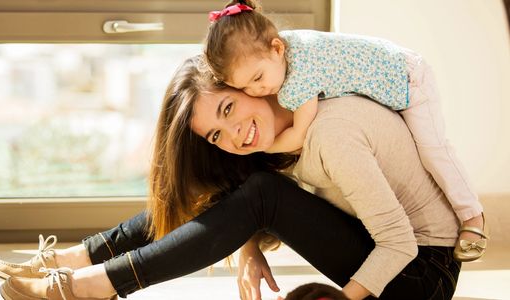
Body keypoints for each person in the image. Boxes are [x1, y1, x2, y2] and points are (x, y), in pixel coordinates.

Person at [0, 56, 461, 300]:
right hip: (390, 252)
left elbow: (398, 242)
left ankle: (93, 286)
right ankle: (81, 258)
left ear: (248, 83)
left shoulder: (331, 133)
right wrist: (249, 245)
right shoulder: (284, 127)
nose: (234, 133)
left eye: (229, 106)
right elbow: (248, 196)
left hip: (420, 275)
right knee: (248, 186)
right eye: (217, 132)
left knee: (262, 193)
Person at [203, 0, 487, 262]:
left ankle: (473, 217)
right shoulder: (281, 47)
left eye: (258, 78)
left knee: (433, 150)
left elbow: (300, 135)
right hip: (394, 74)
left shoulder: (300, 77)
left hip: (409, 79)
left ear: (277, 48)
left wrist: (264, 146)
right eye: (245, 89)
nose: (257, 91)